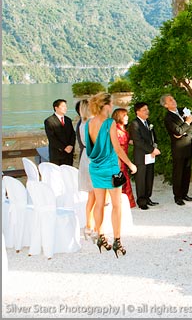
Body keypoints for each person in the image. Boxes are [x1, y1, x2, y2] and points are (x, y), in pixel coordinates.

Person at [85, 92, 137, 257]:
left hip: (95, 168)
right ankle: (117, 240)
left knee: (99, 204)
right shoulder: (109, 123)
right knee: (116, 205)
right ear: (105, 105)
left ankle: (100, 236)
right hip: (110, 168)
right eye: (111, 103)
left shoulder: (89, 123)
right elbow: (117, 148)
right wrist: (130, 164)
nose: (113, 105)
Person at [162, 94, 192, 206]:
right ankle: (177, 196)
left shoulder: (183, 110)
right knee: (178, 172)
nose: (173, 101)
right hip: (178, 148)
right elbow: (178, 131)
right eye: (170, 100)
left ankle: (185, 194)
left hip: (188, 145)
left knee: (187, 171)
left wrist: (184, 130)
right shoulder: (168, 118)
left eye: (173, 99)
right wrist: (186, 123)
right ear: (166, 105)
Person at [129, 102, 160, 210]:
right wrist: (151, 150)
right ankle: (141, 201)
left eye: (147, 109)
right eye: (144, 110)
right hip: (141, 155)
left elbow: (153, 137)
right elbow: (138, 141)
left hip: (150, 155)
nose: (147, 111)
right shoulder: (135, 124)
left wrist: (154, 147)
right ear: (138, 112)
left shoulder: (148, 122)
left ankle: (148, 197)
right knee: (141, 179)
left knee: (149, 177)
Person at [77, 99, 96, 241]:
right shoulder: (90, 124)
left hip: (86, 157)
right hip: (94, 158)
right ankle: (94, 226)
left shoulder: (81, 124)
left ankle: (89, 224)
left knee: (92, 195)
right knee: (97, 194)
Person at [112, 108, 135, 208]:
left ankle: (126, 202)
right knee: (120, 179)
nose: (127, 117)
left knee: (124, 179)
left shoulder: (122, 128)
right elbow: (116, 147)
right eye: (124, 115)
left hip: (124, 156)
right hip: (118, 158)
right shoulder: (116, 129)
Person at [44, 98, 76, 165]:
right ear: (56, 108)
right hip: (57, 154)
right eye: (63, 106)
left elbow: (72, 134)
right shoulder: (49, 121)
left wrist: (71, 145)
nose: (65, 108)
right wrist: (64, 148)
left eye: (66, 106)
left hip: (69, 154)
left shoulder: (68, 120)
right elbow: (51, 138)